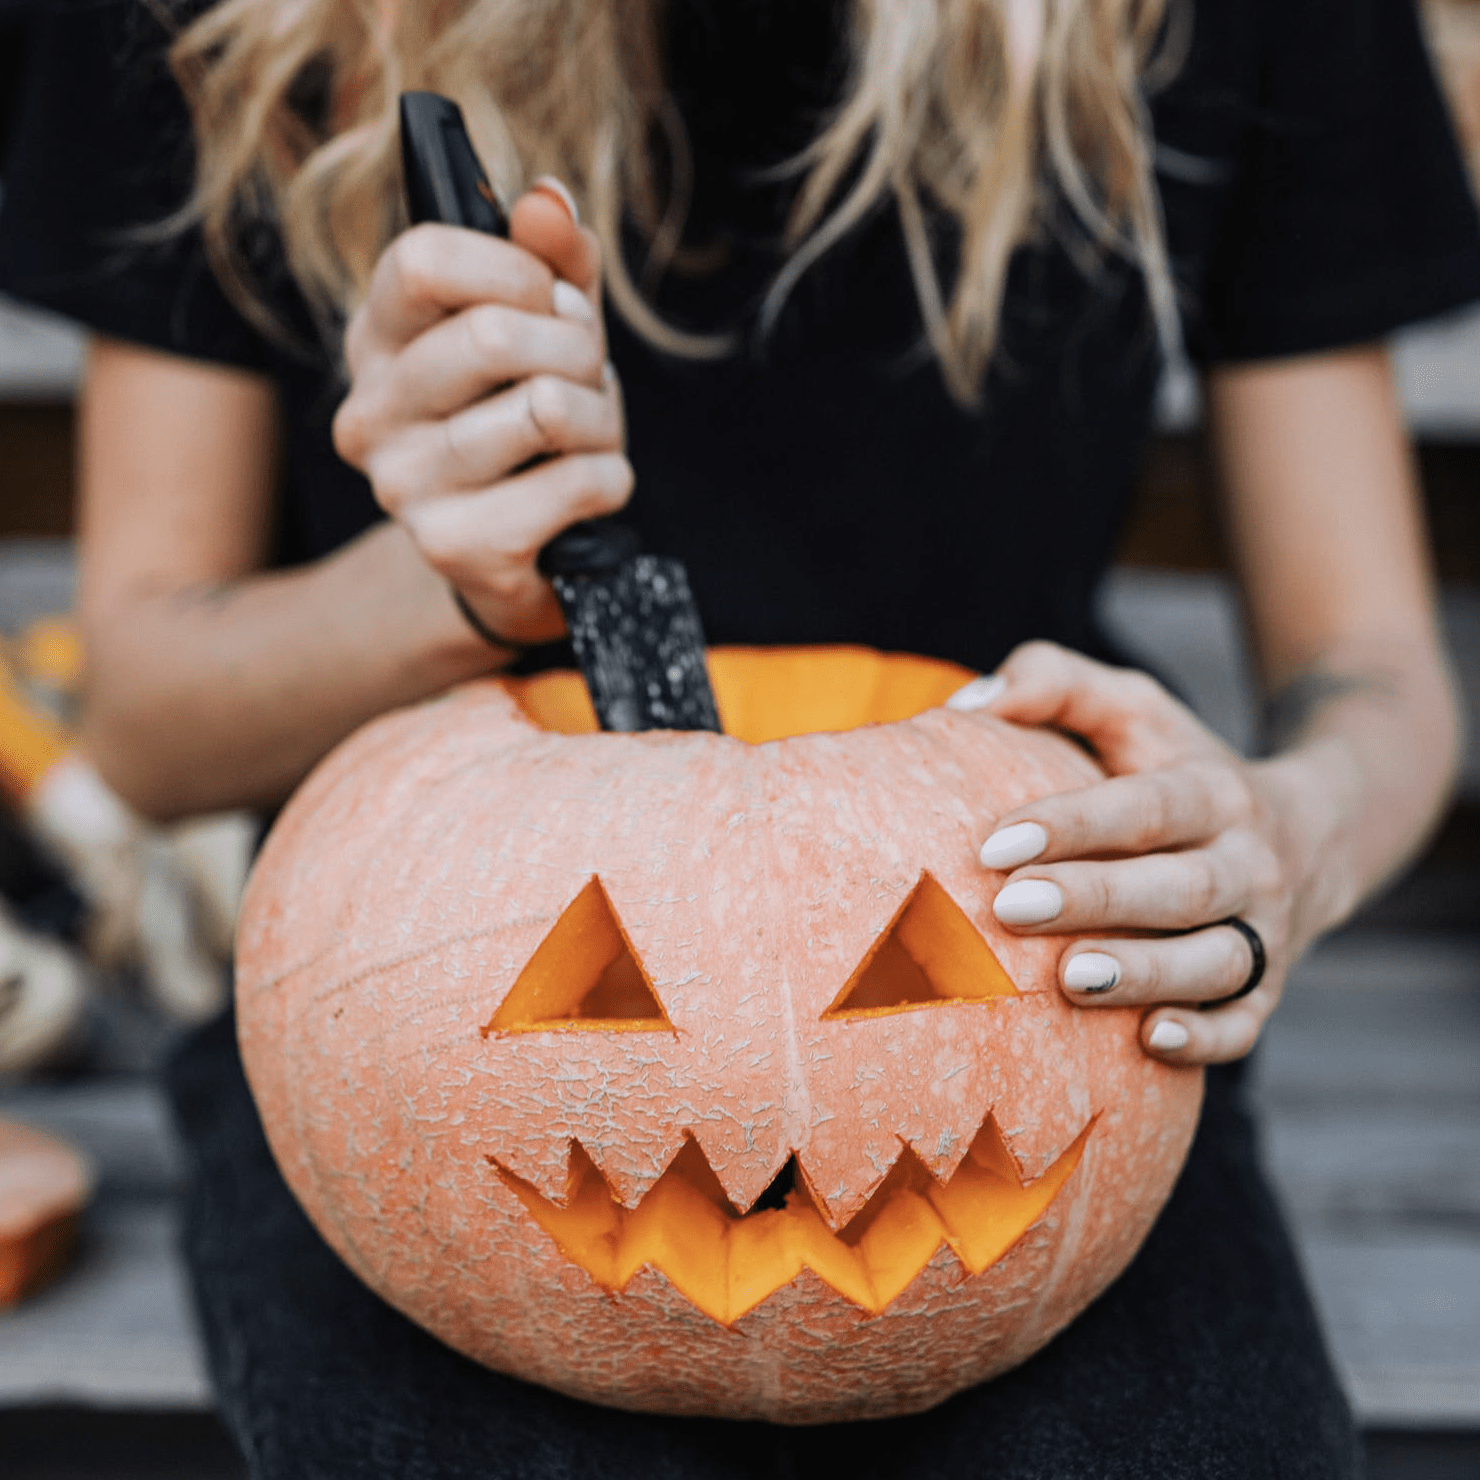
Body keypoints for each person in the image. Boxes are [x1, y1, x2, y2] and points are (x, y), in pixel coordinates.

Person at [2, 0, 1478, 1474]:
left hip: (1044, 982)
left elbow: (1370, 672)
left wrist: (1295, 827)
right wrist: (445, 580)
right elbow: (145, 728)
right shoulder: (225, 25)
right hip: (420, 1014)